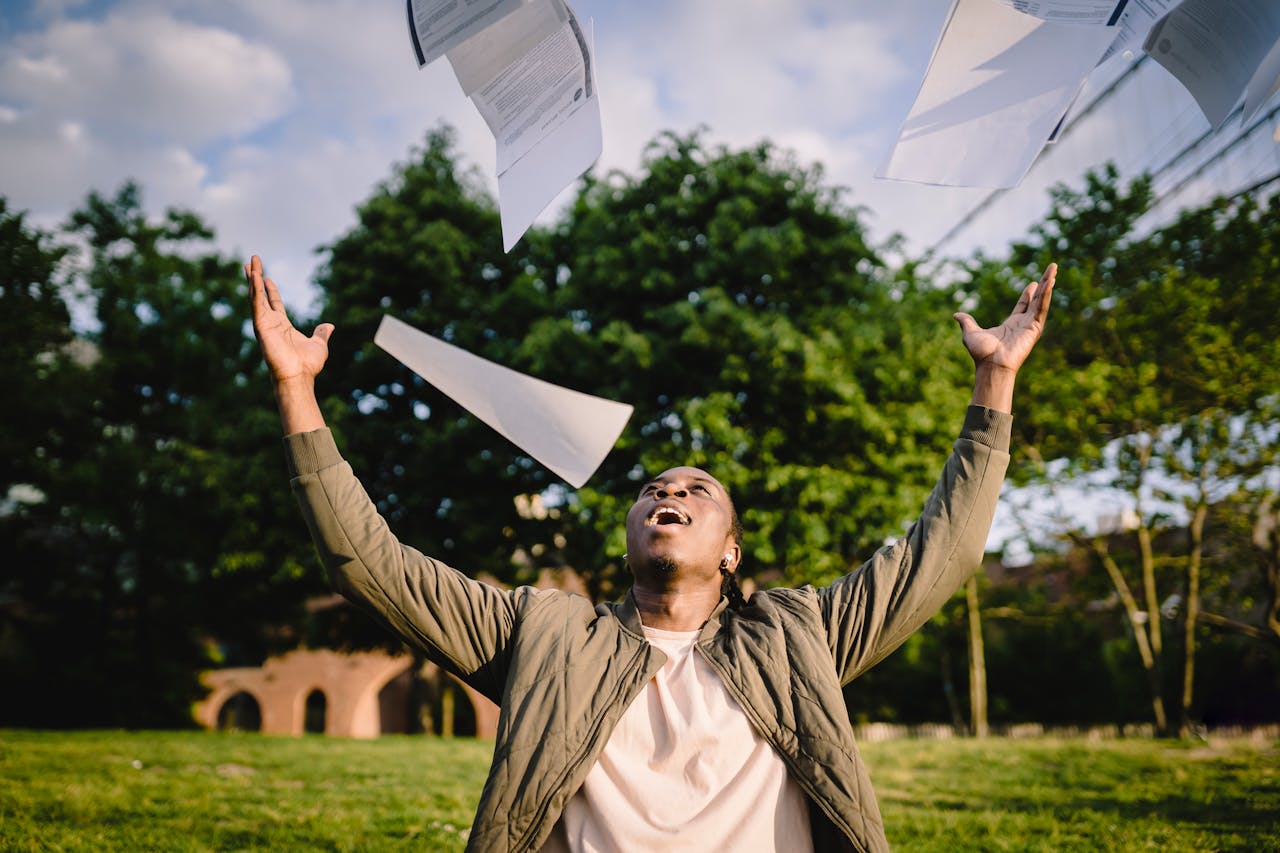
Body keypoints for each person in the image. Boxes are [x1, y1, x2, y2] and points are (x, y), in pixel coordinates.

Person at [247, 255, 1055, 853]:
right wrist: (297, 391)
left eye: (696, 490)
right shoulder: (546, 633)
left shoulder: (798, 631)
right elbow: (367, 561)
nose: (668, 493)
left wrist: (995, 384)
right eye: (651, 490)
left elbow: (940, 554)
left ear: (731, 551)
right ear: (631, 532)